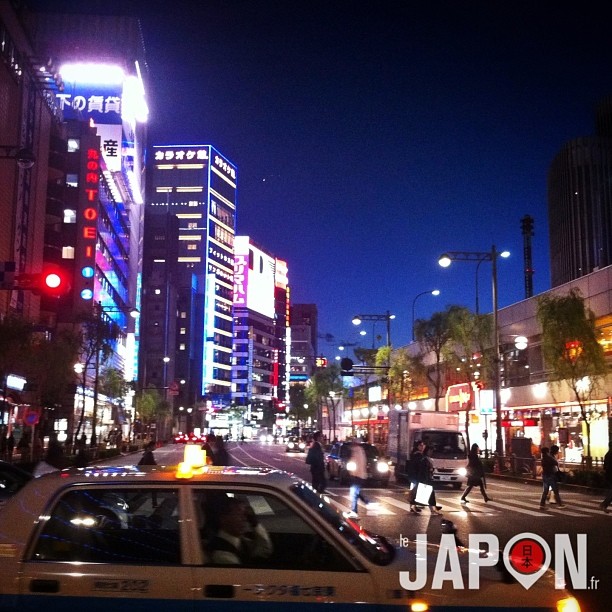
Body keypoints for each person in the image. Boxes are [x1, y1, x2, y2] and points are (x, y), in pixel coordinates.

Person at [208, 497, 272, 565]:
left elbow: (265, 550)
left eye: (245, 515)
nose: (245, 519)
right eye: (238, 514)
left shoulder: (241, 541)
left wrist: (254, 522)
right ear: (223, 519)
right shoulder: (222, 554)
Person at [347, 439, 370, 517]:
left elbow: (355, 463)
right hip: (360, 475)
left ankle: (354, 511)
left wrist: (352, 473)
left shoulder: (356, 451)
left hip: (357, 475)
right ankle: (367, 502)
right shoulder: (361, 451)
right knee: (357, 493)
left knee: (354, 493)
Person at [421, 445, 442, 514]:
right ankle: (433, 508)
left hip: (428, 478)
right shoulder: (424, 459)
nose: (431, 452)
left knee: (430, 494)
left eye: (431, 451)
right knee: (430, 494)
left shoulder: (428, 459)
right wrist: (430, 470)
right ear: (427, 451)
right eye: (430, 451)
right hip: (426, 479)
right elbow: (424, 470)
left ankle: (433, 509)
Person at [407, 439, 425, 513]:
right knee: (414, 491)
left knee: (414, 491)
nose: (422, 447)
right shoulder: (417, 454)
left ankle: (413, 506)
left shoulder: (414, 453)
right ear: (417, 446)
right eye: (421, 445)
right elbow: (418, 466)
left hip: (413, 475)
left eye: (423, 445)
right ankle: (413, 506)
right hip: (416, 475)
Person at [600, 444, 612, 513]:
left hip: (608, 475)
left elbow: (605, 467)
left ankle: (604, 505)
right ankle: (604, 504)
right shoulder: (610, 454)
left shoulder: (607, 454)